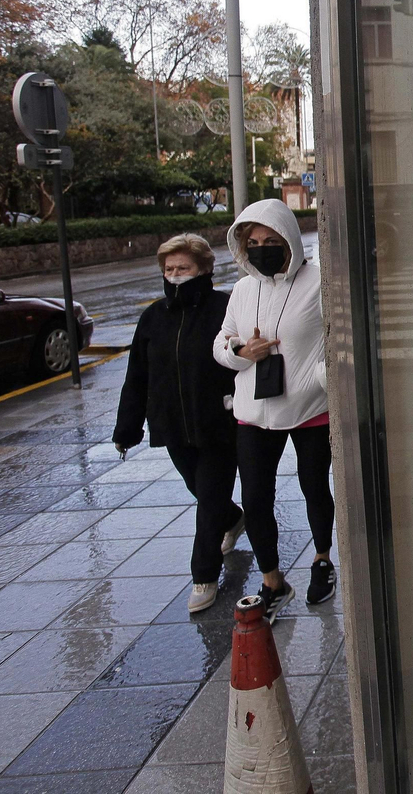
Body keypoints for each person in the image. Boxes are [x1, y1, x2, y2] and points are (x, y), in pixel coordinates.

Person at [213, 198, 336, 619]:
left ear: (288, 240)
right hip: (254, 411)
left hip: (309, 407)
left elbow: (340, 336)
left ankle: (322, 559)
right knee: (255, 498)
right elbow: (222, 340)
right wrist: (240, 351)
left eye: (270, 240)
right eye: (252, 242)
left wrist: (321, 377)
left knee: (313, 486)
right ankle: (272, 580)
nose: (261, 249)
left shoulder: (319, 283)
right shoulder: (244, 290)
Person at [113, 233, 246, 613]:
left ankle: (204, 576)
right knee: (201, 490)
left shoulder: (225, 309)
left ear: (203, 269)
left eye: (183, 268)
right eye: (169, 269)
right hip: (172, 425)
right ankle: (233, 519)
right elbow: (137, 376)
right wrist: (126, 429)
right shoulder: (153, 317)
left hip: (219, 422)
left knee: (209, 498)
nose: (175, 275)